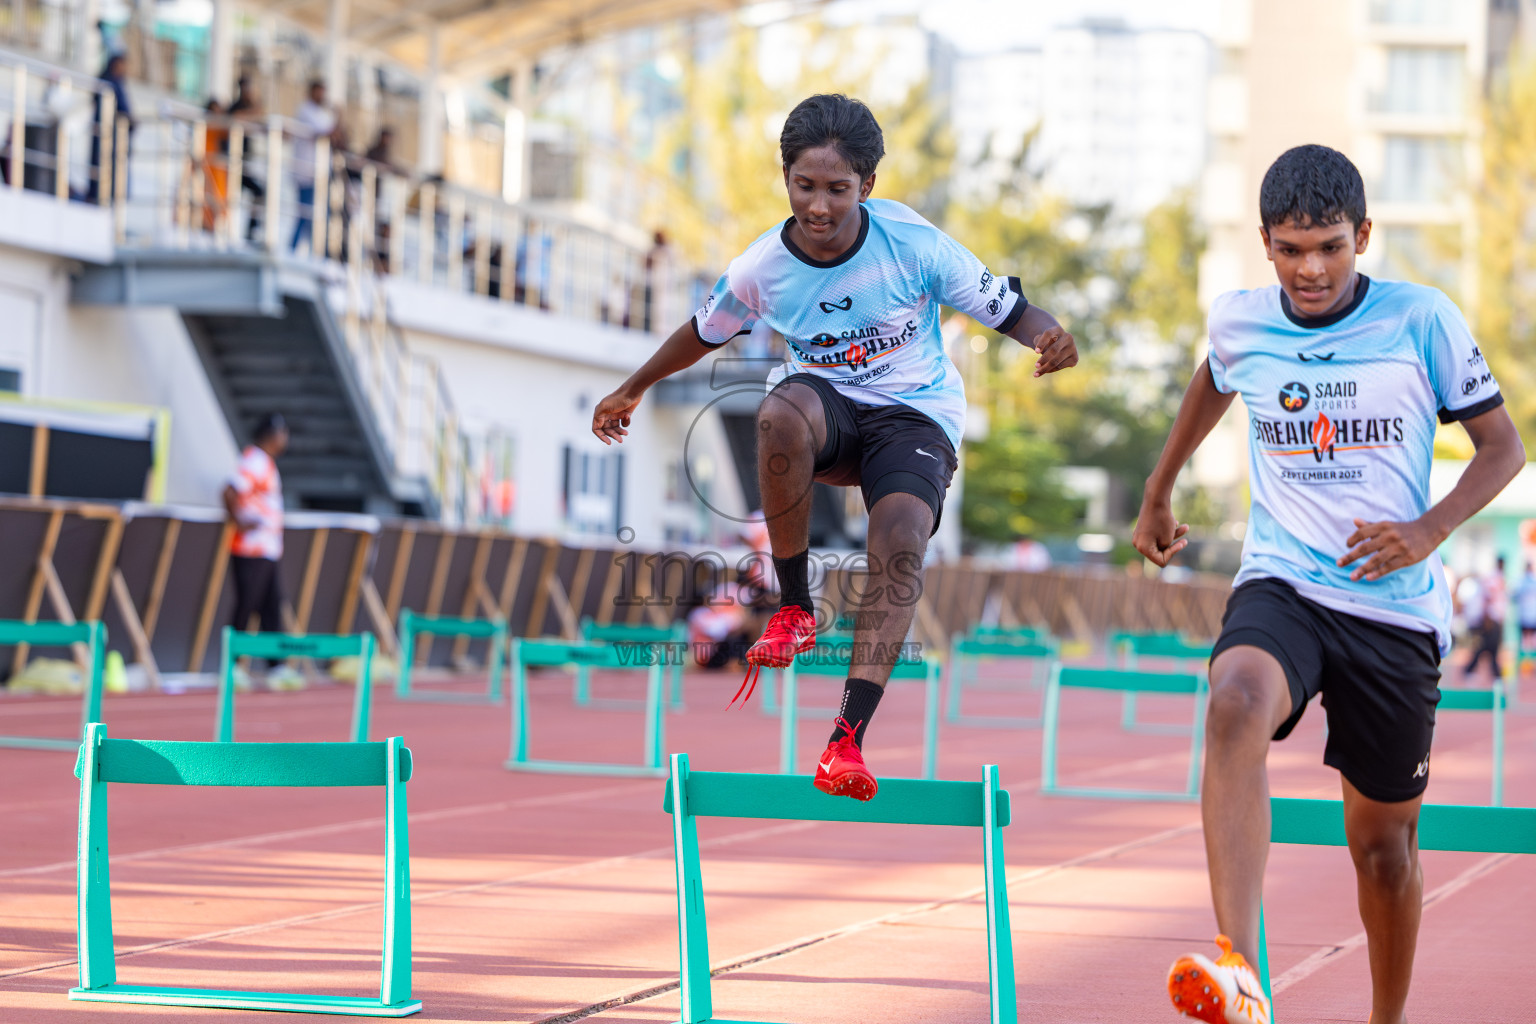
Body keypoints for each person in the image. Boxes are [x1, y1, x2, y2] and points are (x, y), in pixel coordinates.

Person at [591, 93, 1078, 801]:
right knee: (777, 410)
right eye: (805, 187)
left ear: (868, 187)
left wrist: (1047, 335)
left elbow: (1007, 306)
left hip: (914, 415)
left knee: (902, 536)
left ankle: (846, 741)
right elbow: (702, 332)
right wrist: (633, 387)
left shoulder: (912, 245)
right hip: (830, 415)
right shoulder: (762, 267)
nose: (819, 208)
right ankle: (794, 606)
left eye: (838, 191)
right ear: (785, 179)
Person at [1132, 145, 1524, 1024]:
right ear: (1265, 243)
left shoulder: (1422, 318)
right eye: (1292, 249)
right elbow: (1214, 379)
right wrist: (1159, 491)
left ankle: (1387, 1019)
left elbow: (1505, 448)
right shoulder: (1240, 322)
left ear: (1364, 238)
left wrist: (1427, 531)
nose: (1311, 269)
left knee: (1383, 850)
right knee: (1232, 700)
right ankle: (1237, 966)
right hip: (1287, 580)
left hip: (1392, 607)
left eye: (1331, 248)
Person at [221, 413, 300, 685]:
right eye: (283, 433)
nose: (285, 439)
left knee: (271, 606)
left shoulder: (265, 462)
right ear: (272, 434)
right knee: (247, 605)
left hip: (267, 548)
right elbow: (230, 491)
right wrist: (240, 520)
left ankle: (275, 665)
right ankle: (230, 665)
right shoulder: (254, 460)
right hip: (250, 549)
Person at [290, 79, 336, 253]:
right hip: (306, 172)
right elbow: (325, 133)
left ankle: (312, 251)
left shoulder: (320, 114)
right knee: (305, 214)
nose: (322, 96)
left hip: (319, 173)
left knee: (316, 216)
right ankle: (293, 249)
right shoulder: (305, 111)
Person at [88, 53, 132, 204]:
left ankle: (109, 195)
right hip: (108, 133)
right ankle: (100, 195)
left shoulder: (117, 82)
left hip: (115, 134)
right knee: (104, 165)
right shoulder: (109, 82)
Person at [1466, 556, 1507, 682]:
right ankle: (1471, 670)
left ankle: (1494, 674)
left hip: (1496, 619)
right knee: (1485, 647)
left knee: (1491, 648)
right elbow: (1487, 598)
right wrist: (1487, 617)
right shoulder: (1494, 578)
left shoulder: (1501, 577)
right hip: (1491, 619)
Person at [1516, 561, 1536, 660]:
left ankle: (1525, 662)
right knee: (1532, 641)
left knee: (1524, 642)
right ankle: (1530, 663)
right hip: (1532, 617)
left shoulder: (1521, 582)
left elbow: (1514, 597)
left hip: (1524, 616)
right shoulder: (1533, 582)